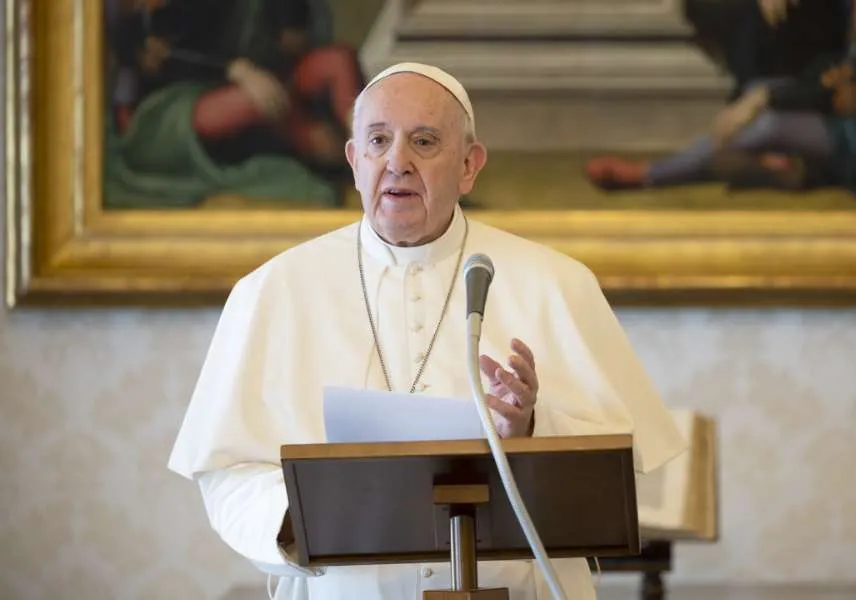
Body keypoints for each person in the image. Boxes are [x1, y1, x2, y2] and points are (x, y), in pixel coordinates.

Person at [168, 62, 687, 600]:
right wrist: (304, 518)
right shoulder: (273, 291)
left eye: (423, 141)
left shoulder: (557, 283)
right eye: (378, 140)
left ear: (469, 165)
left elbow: (620, 468)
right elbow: (227, 470)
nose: (398, 162)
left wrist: (534, 428)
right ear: (353, 161)